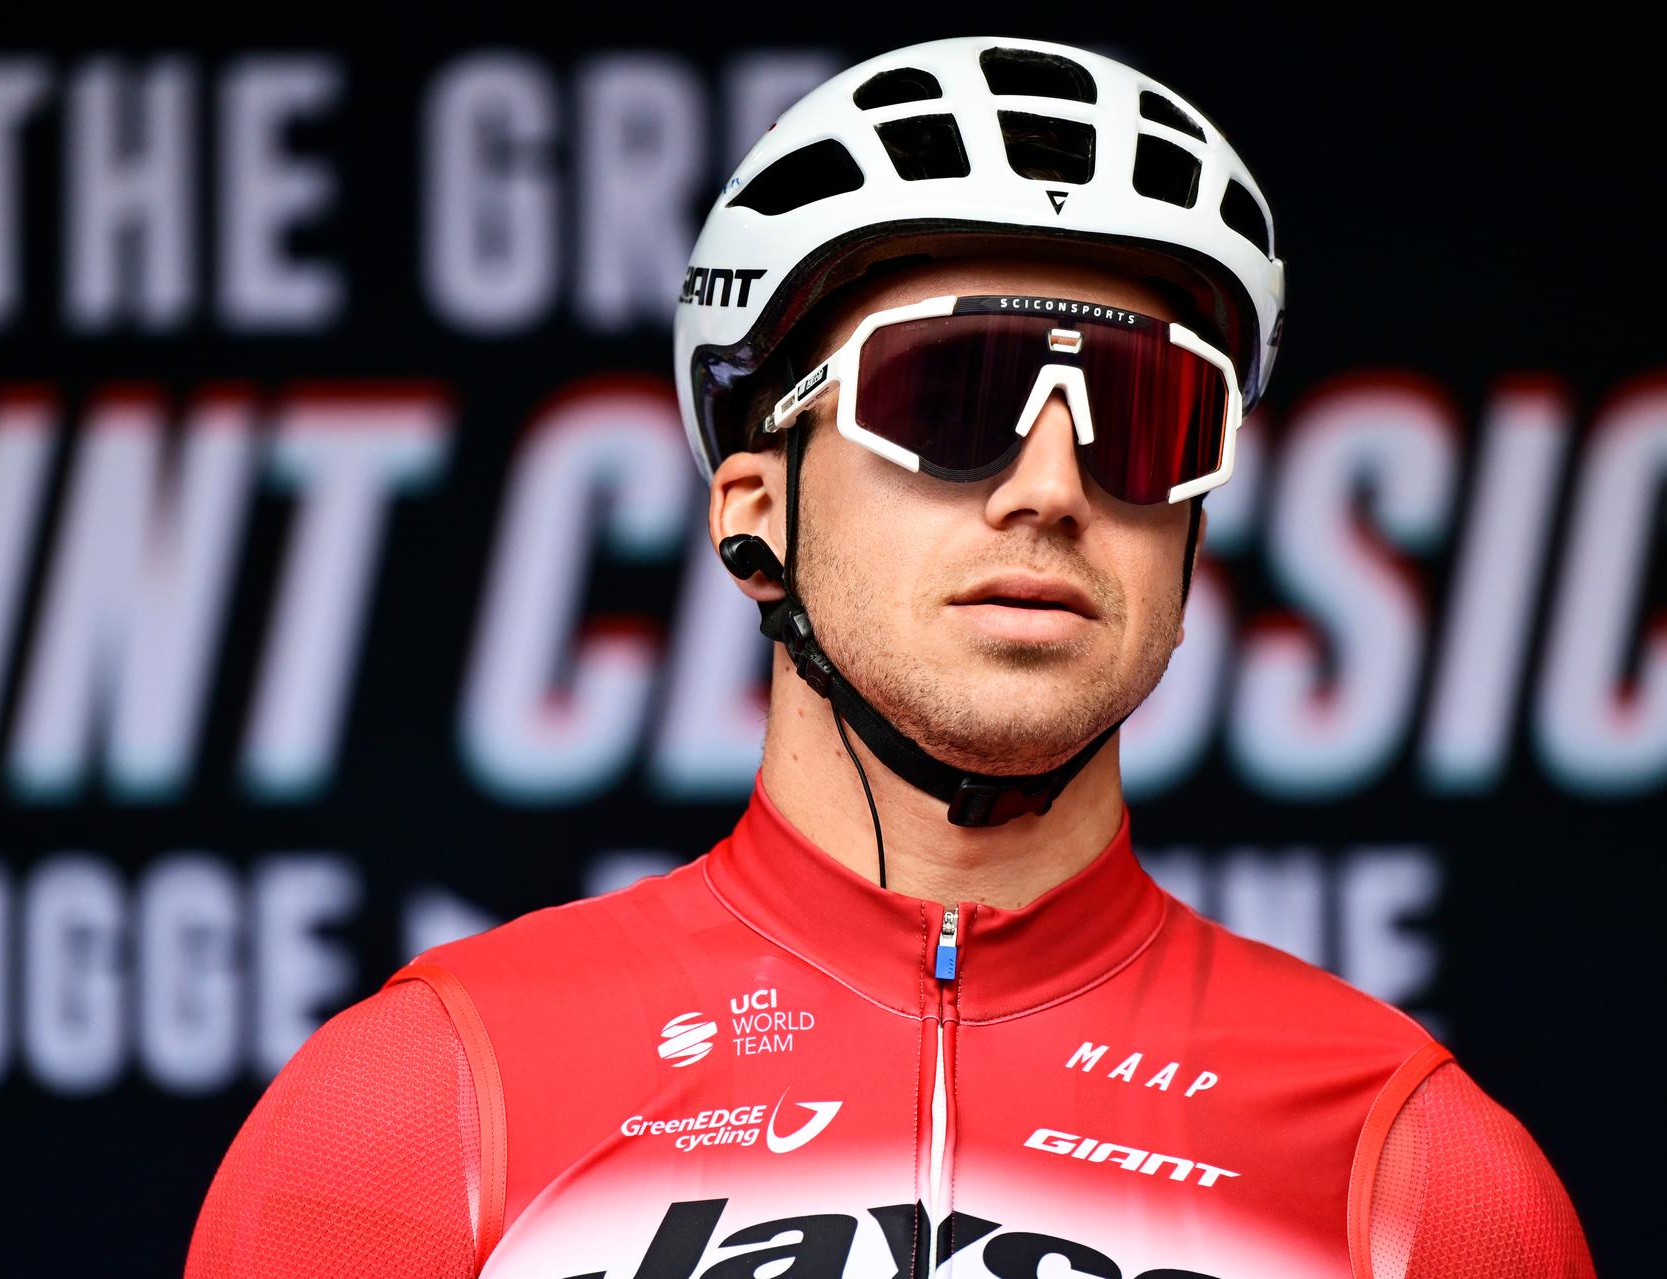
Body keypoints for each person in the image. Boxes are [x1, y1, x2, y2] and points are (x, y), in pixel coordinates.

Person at [185, 36, 1594, 1278]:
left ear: (1195, 531)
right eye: (955, 389)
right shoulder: (415, 1112)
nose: (1050, 487)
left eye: (1146, 414)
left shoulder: (1424, 1173)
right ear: (755, 511)